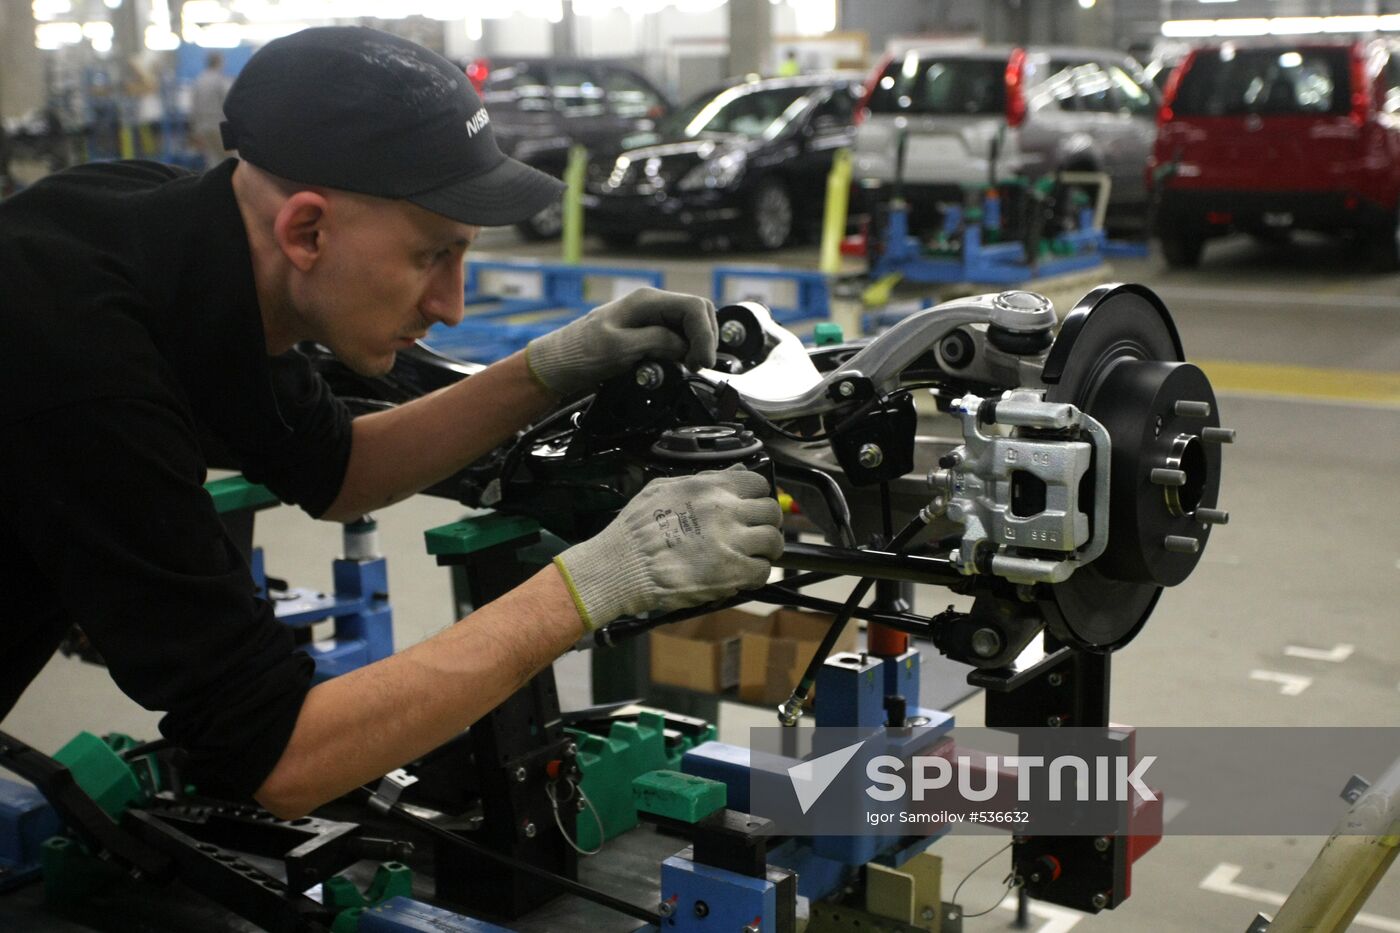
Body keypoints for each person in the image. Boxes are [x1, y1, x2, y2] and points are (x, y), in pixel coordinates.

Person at [0, 26, 783, 820]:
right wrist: (597, 582)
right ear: (306, 231)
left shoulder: (181, 235)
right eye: (431, 256)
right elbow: (281, 754)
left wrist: (550, 368)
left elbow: (338, 470)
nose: (452, 305)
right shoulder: (80, 362)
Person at [189, 51, 232, 168]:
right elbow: (229, 103)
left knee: (212, 160)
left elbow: (193, 107)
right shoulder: (220, 80)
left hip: (203, 126)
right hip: (218, 125)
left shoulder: (199, 80)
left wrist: (195, 130)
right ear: (219, 62)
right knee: (232, 160)